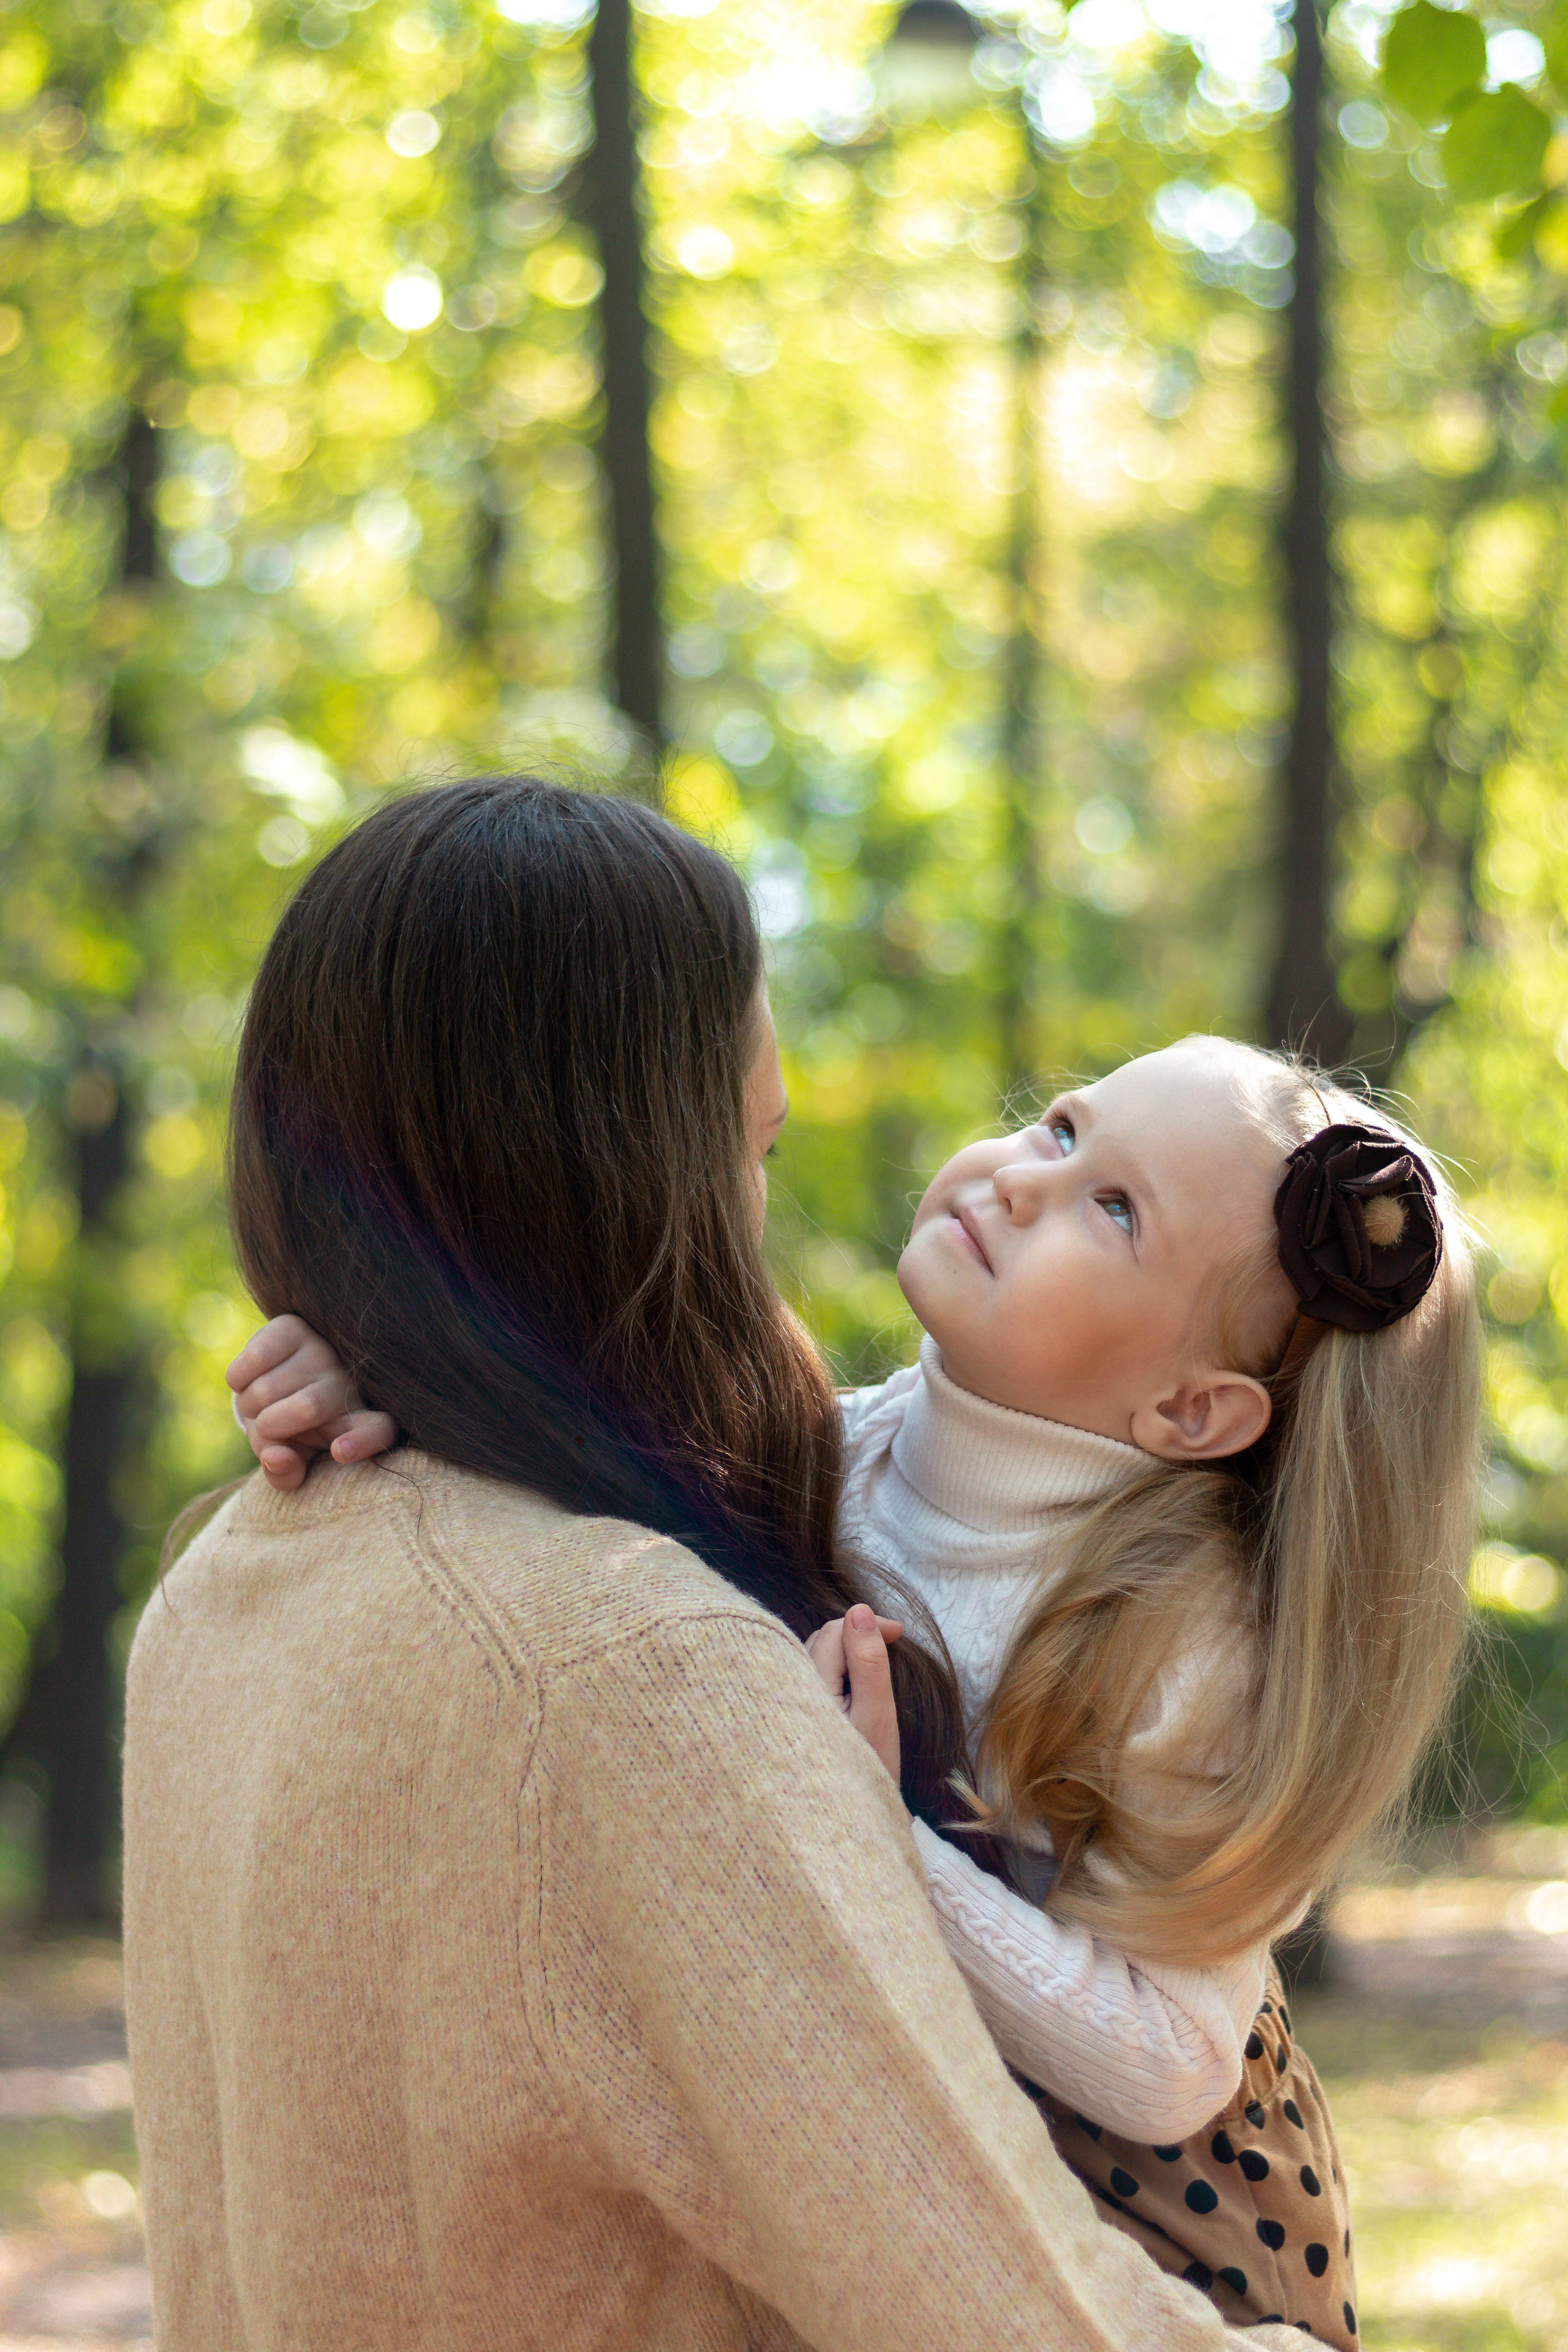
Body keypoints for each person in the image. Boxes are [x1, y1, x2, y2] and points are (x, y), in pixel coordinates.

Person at [126, 775, 1321, 2352]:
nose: (751, 1224)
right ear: (614, 1185)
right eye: (740, 1157)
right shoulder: (631, 1676)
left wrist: (407, 1357)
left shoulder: (216, 1592)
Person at [243, 1028, 1482, 2351]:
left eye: (1111, 1209)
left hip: (1164, 2225)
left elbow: (1166, 2061)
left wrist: (862, 1831)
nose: (1018, 1177)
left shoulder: (1176, 1639)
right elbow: (595, 1488)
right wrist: (390, 1390)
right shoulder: (848, 1445)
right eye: (1060, 1130)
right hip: (924, 2168)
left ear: (1190, 1414)